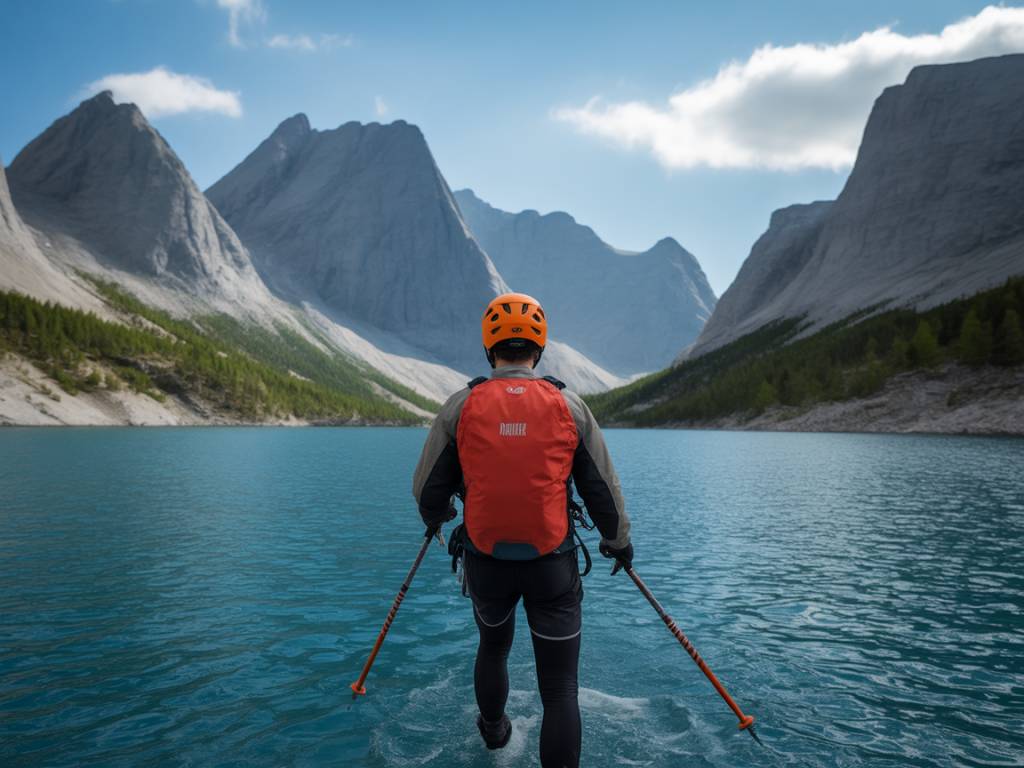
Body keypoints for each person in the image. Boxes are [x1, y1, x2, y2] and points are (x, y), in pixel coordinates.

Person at [412, 292, 632, 768]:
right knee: (559, 690)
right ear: (540, 347)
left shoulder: (461, 406)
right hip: (551, 566)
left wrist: (440, 516)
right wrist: (618, 542)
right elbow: (602, 488)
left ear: (490, 347)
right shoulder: (568, 406)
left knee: (493, 647)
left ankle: (494, 733)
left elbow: (427, 488)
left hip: (486, 563)